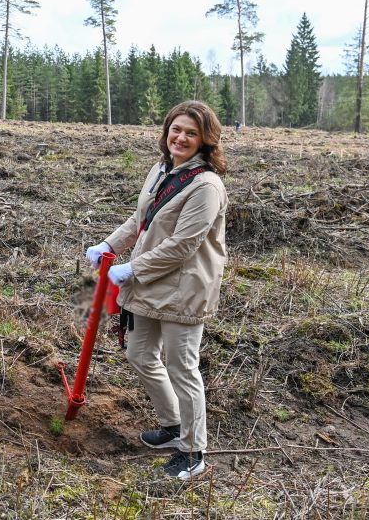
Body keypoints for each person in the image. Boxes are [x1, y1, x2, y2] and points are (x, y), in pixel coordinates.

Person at [85, 101, 228, 480]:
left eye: (191, 133)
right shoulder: (161, 170)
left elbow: (185, 244)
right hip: (150, 283)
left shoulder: (206, 185)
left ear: (205, 141)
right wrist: (110, 246)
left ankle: (193, 450)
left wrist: (132, 268)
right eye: (176, 129)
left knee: (183, 367)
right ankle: (172, 425)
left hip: (184, 288)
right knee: (140, 352)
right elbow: (140, 219)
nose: (181, 137)